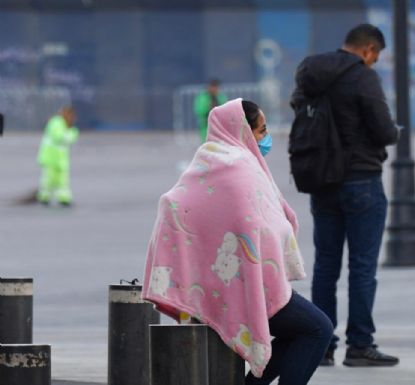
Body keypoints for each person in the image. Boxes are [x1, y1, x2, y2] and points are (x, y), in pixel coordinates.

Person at [142, 98, 333, 385]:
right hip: (242, 287)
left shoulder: (207, 159)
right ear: (243, 130)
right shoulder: (240, 166)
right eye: (261, 131)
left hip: (209, 287)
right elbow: (258, 226)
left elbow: (173, 205)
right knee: (318, 329)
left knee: (302, 330)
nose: (265, 139)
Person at [290, 23, 399, 367]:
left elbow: (299, 108)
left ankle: (321, 343)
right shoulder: (362, 76)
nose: (374, 62)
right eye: (376, 56)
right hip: (361, 179)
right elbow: (383, 128)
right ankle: (360, 345)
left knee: (325, 265)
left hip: (322, 180)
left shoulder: (311, 72)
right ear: (368, 50)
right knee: (362, 267)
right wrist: (393, 132)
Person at [36, 106, 79, 206]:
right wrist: (72, 134)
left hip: (60, 160)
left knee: (62, 181)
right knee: (48, 180)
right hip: (50, 158)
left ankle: (64, 198)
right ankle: (44, 198)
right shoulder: (56, 123)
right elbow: (59, 137)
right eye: (70, 115)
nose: (72, 118)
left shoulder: (65, 125)